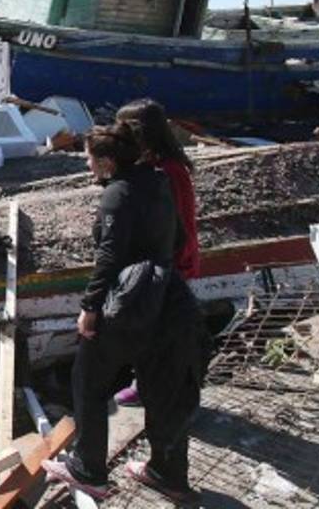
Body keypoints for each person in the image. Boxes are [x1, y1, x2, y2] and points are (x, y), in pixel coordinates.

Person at [42, 124, 202, 505]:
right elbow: (178, 237)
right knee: (165, 388)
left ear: (108, 162)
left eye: (89, 159)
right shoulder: (160, 180)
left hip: (129, 299)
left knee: (89, 379)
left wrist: (90, 307)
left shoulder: (117, 194)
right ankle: (168, 474)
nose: (87, 165)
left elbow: (109, 258)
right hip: (167, 298)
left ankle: (88, 470)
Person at [113, 98, 201, 408]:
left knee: (157, 331)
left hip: (169, 262)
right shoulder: (160, 166)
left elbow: (173, 223)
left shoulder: (167, 172)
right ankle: (149, 382)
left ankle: (155, 387)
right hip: (165, 260)